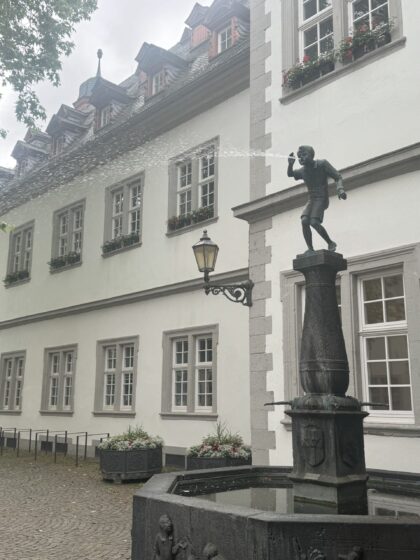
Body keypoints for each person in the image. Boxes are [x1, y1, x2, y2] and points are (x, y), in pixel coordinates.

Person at [287, 145, 347, 253]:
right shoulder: (302, 171)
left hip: (321, 198)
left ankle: (330, 243)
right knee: (304, 221)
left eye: (304, 155)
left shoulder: (322, 164)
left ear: (311, 155)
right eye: (299, 156)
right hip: (312, 199)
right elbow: (290, 174)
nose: (301, 158)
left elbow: (337, 176)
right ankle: (310, 249)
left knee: (314, 222)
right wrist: (290, 164)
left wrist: (340, 189)